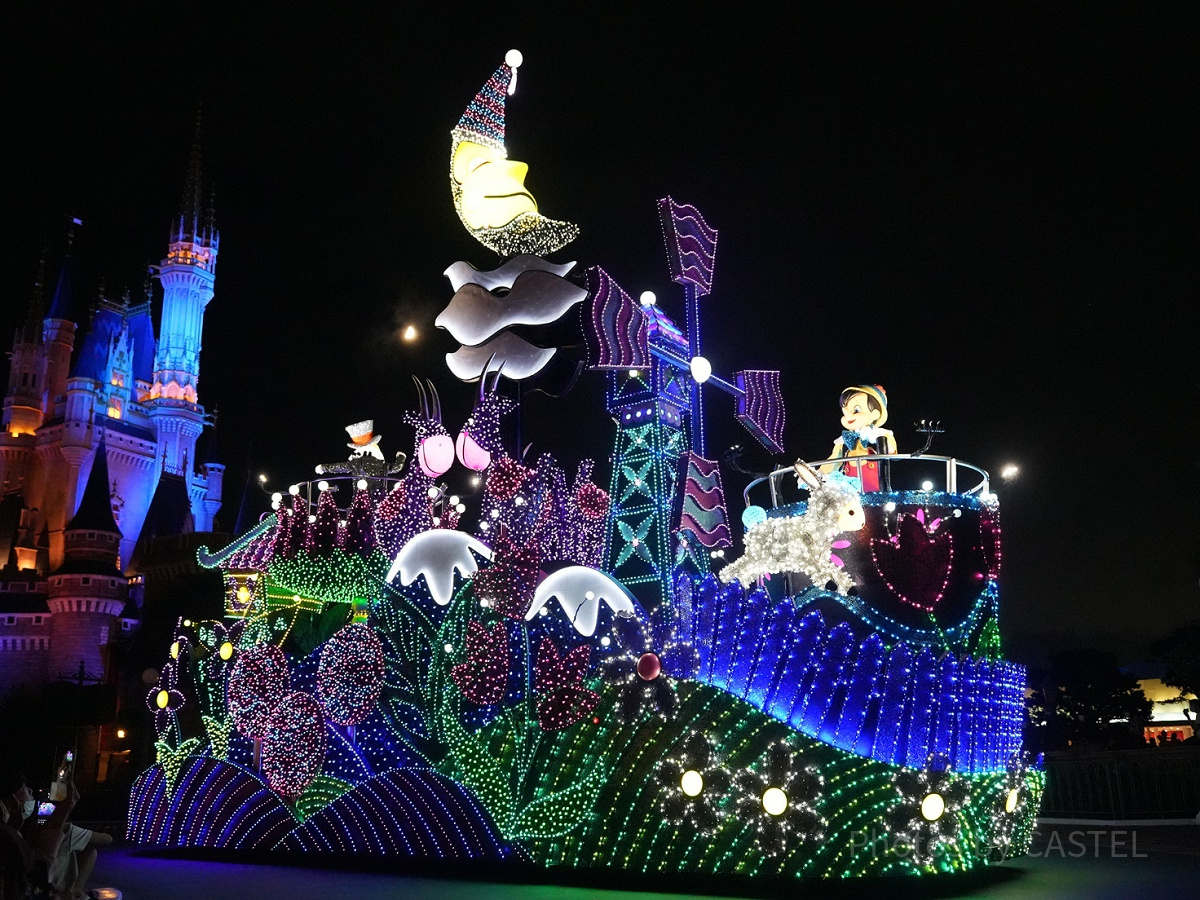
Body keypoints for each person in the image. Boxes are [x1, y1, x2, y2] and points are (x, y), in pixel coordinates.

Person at [1, 763, 117, 900]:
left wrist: (14, 826)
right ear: (11, 801)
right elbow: (36, 880)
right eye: (24, 788)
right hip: (51, 890)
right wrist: (61, 816)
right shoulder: (67, 831)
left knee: (90, 851)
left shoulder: (13, 832)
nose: (31, 791)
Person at [820, 385, 897, 492]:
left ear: (875, 414)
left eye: (856, 410)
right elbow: (832, 462)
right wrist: (816, 475)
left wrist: (877, 438)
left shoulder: (881, 435)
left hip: (878, 493)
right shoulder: (842, 442)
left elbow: (892, 451)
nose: (849, 416)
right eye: (845, 412)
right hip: (852, 495)